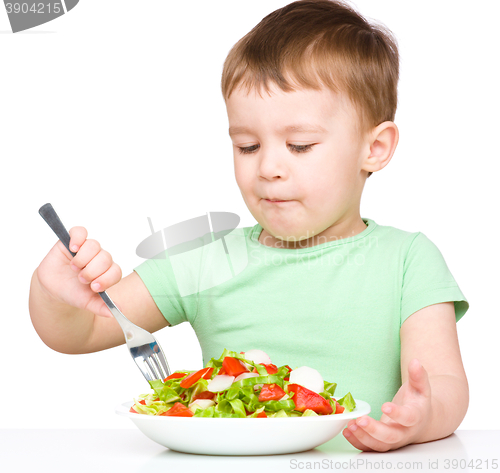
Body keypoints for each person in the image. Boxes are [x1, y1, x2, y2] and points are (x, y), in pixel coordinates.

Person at [29, 0, 469, 452]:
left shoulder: (407, 260)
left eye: (299, 146)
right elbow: (79, 331)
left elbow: (445, 382)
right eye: (247, 145)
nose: (269, 167)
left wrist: (422, 416)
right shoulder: (207, 261)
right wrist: (52, 290)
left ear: (374, 148)